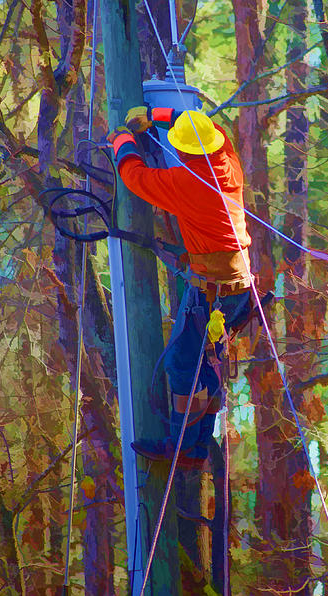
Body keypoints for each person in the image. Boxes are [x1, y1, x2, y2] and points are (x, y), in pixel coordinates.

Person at [108, 106, 253, 468]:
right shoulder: (227, 162)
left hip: (213, 295)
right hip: (234, 292)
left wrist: (121, 140)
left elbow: (136, 178)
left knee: (181, 365)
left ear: (186, 152)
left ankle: (183, 447)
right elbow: (209, 127)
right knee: (204, 367)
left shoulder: (187, 184)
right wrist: (159, 114)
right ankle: (198, 445)